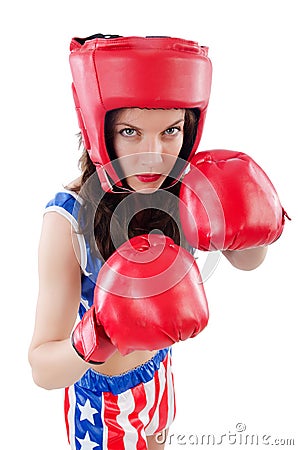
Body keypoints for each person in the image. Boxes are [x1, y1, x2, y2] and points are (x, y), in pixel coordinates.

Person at [28, 34, 287, 450]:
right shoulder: (67, 220)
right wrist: (95, 335)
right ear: (101, 130)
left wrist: (251, 213)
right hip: (105, 404)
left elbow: (247, 260)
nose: (153, 153)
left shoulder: (184, 191)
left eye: (170, 131)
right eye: (130, 131)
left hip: (160, 374)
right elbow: (42, 368)